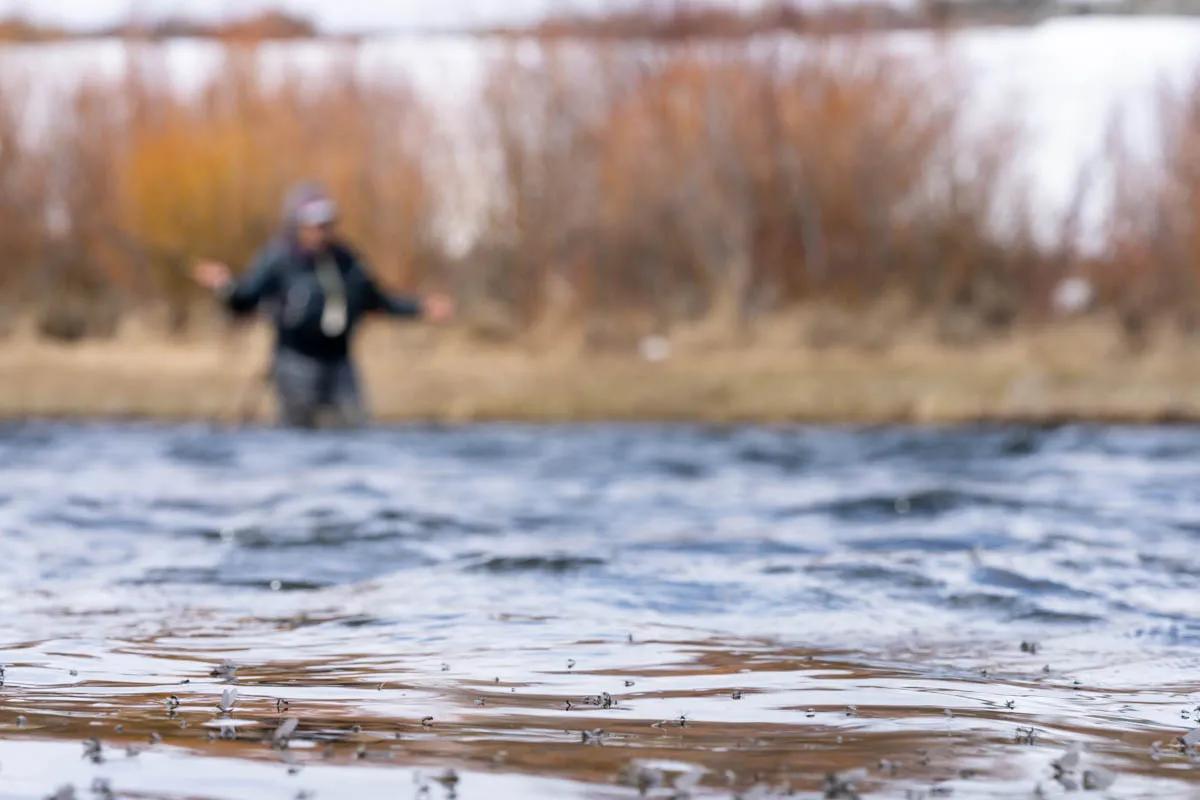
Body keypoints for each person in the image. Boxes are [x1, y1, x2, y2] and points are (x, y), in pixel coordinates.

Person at [193, 183, 452, 428]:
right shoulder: (279, 259)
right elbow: (244, 300)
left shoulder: (347, 260)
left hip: (340, 362)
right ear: (298, 225)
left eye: (325, 224)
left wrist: (420, 307)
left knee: (354, 428)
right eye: (313, 224)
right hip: (295, 364)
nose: (320, 231)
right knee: (299, 433)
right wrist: (223, 285)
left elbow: (377, 300)